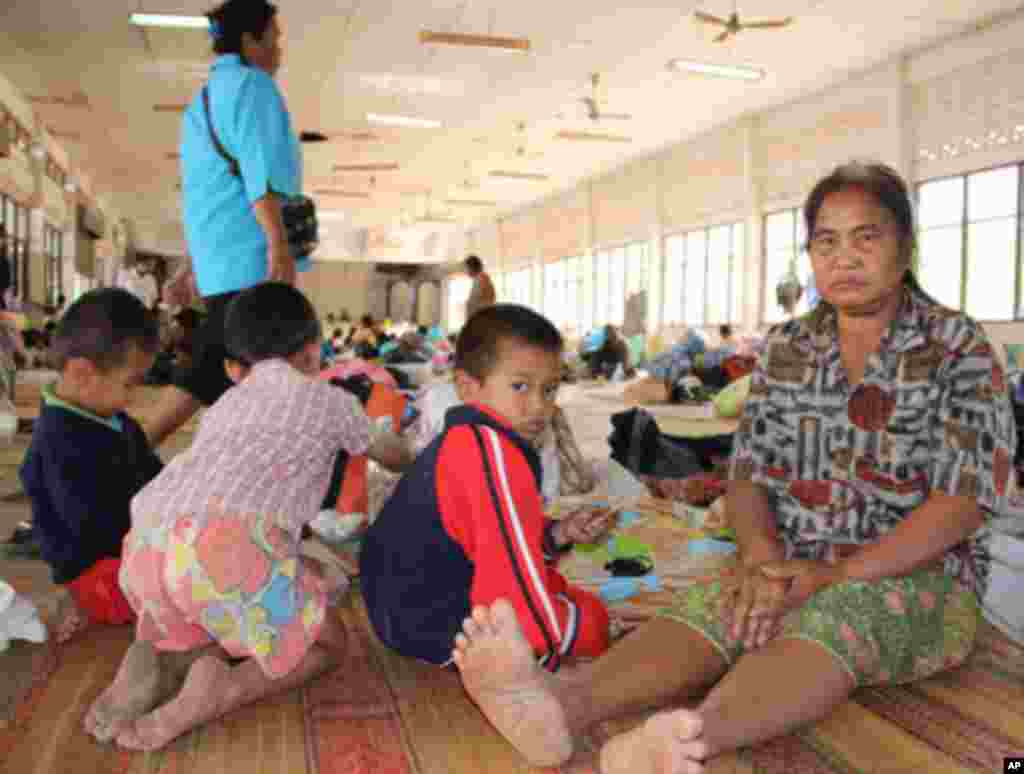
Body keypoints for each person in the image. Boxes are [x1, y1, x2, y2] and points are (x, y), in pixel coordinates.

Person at [449, 161, 1016, 772]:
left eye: (866, 237)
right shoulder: (788, 348)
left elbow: (961, 504)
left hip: (920, 579)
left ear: (904, 247)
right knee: (722, 600)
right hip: (790, 562)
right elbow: (747, 477)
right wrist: (762, 559)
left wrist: (835, 574)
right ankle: (559, 705)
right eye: (826, 241)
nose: (844, 257)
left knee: (836, 613)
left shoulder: (957, 347)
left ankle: (691, 740)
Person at [83, 283, 412, 751]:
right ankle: (225, 691)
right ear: (312, 353)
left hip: (146, 546)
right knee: (326, 643)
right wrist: (412, 452)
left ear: (234, 369)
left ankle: (155, 658)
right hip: (227, 548)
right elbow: (393, 456)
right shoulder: (331, 400)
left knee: (210, 606)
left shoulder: (223, 407)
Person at [360, 304, 614, 670]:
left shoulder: (479, 439)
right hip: (428, 622)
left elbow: (493, 535)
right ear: (468, 387)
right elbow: (511, 591)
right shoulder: (488, 450)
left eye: (550, 389)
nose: (539, 406)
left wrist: (557, 533)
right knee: (588, 619)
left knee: (569, 598)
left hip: (404, 607)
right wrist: (581, 636)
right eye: (520, 386)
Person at [143, 0, 306, 449]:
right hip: (250, 258)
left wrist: (195, 262)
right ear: (250, 42)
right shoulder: (253, 86)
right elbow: (258, 173)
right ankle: (123, 457)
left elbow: (203, 192)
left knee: (225, 370)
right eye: (274, 40)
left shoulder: (204, 99)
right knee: (227, 370)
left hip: (222, 260)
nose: (278, 51)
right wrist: (278, 245)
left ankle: (131, 454)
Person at [19, 289, 164, 642]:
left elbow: (156, 477)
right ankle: (78, 604)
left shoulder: (113, 418)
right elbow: (92, 531)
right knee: (197, 586)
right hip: (99, 573)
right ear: (83, 373)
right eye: (130, 383)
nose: (134, 395)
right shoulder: (60, 441)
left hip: (131, 549)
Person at [464, 255, 496, 320]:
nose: (465, 271)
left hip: (482, 319)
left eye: (466, 268)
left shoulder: (481, 278)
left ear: (471, 267)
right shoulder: (481, 278)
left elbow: (476, 302)